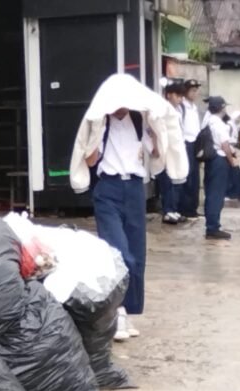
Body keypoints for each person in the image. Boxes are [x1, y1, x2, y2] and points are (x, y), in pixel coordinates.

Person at [85, 107, 158, 340]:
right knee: (117, 252)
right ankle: (117, 312)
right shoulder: (100, 122)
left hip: (135, 188)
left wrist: (157, 129)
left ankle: (127, 311)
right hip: (108, 188)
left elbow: (155, 152)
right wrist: (96, 134)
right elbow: (89, 160)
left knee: (136, 254)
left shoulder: (138, 120)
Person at [200, 96, 237, 240]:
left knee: (211, 193)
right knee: (216, 194)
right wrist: (231, 160)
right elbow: (225, 146)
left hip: (212, 160)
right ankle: (213, 227)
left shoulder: (208, 122)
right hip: (219, 160)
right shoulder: (218, 124)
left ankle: (212, 225)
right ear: (221, 108)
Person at [158, 82, 188, 224]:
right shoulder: (163, 109)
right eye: (177, 95)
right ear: (169, 94)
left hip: (177, 148)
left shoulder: (179, 110)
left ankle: (174, 209)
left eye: (181, 96)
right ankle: (167, 210)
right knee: (168, 181)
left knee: (177, 179)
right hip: (167, 149)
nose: (180, 99)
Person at [179, 79, 202, 219]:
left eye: (196, 91)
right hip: (185, 143)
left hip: (195, 143)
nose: (194, 93)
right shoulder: (182, 107)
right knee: (186, 176)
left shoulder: (194, 107)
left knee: (195, 177)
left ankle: (193, 207)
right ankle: (185, 208)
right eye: (192, 90)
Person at [225, 111, 240, 201]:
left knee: (236, 172)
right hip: (231, 150)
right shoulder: (229, 126)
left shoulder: (235, 126)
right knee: (235, 172)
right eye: (239, 117)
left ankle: (237, 193)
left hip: (234, 150)